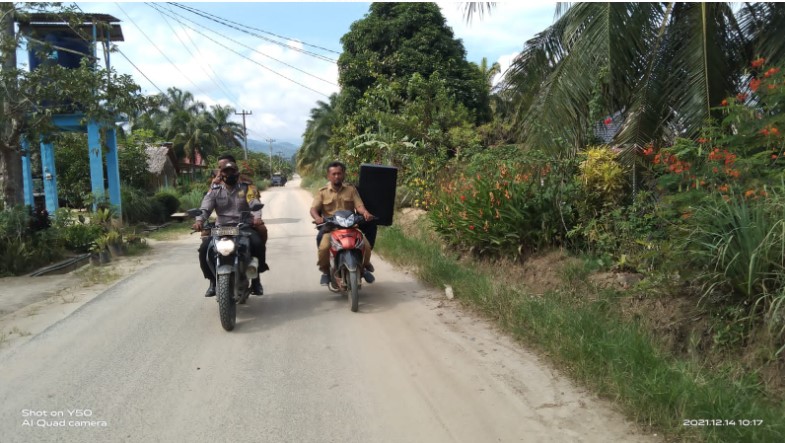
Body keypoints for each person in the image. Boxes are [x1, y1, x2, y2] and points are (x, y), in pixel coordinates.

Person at [192, 161, 265, 297]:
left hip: (243, 226)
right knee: (204, 249)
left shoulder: (246, 189)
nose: (229, 174)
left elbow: (254, 202)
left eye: (232, 171)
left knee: (257, 244)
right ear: (221, 174)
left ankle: (256, 280)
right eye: (226, 171)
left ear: (237, 173)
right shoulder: (214, 191)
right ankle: (213, 282)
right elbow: (205, 208)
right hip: (221, 228)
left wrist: (257, 217)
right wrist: (199, 221)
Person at [310, 161, 375, 285]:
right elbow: (313, 209)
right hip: (332, 228)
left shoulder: (351, 189)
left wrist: (365, 212)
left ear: (343, 174)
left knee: (365, 246)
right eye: (333, 174)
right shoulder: (322, 192)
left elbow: (359, 205)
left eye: (339, 173)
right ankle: (325, 272)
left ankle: (364, 267)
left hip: (351, 227)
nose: (336, 176)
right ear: (328, 176)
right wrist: (318, 217)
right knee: (323, 247)